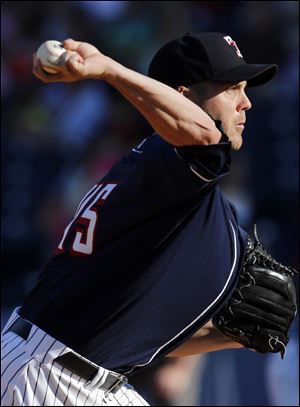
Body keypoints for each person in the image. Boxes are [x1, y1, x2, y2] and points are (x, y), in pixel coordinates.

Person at [1, 32, 295, 406]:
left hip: (85, 376)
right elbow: (203, 135)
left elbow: (143, 333)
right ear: (183, 95)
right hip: (46, 376)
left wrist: (228, 334)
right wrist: (109, 69)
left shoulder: (190, 192)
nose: (246, 103)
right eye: (232, 88)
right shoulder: (166, 164)